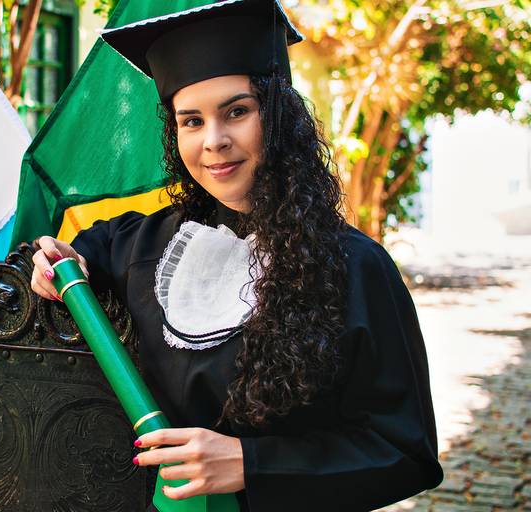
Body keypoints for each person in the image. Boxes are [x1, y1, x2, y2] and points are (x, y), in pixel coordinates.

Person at [30, 0, 443, 510]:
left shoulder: (356, 268)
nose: (214, 141)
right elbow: (74, 254)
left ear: (278, 115)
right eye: (191, 121)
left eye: (237, 112)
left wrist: (250, 463)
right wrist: (51, 260)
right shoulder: (141, 247)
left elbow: (406, 452)